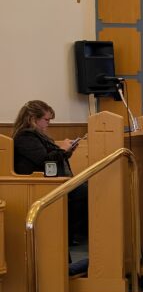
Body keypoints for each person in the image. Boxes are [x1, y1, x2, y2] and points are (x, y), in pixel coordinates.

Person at [12, 100, 87, 243]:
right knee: (83, 192)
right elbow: (44, 161)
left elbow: (52, 159)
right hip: (39, 182)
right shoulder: (25, 137)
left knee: (85, 189)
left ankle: (70, 235)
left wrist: (67, 151)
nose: (49, 123)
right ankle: (69, 235)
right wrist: (62, 150)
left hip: (51, 179)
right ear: (32, 119)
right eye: (46, 120)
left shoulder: (38, 135)